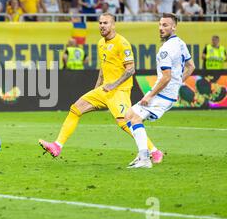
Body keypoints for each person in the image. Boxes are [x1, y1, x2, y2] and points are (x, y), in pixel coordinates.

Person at [39, 13, 162, 163]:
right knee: (75, 109)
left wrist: (114, 85)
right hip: (104, 90)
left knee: (125, 122)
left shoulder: (122, 43)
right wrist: (96, 88)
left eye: (106, 23)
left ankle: (154, 151)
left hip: (119, 91)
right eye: (100, 23)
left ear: (113, 25)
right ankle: (57, 145)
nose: (102, 26)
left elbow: (130, 69)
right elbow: (103, 68)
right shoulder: (100, 43)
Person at [124, 14, 195, 168]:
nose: (161, 28)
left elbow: (166, 77)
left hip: (162, 95)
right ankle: (142, 153)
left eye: (166, 25)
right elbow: (191, 66)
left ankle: (144, 159)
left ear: (174, 27)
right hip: (168, 93)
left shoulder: (166, 50)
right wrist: (178, 83)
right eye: (160, 25)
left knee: (135, 119)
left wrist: (150, 95)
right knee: (128, 116)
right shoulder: (180, 43)